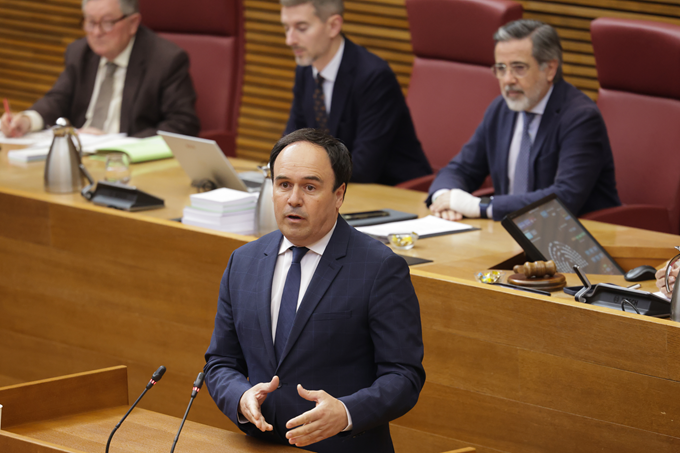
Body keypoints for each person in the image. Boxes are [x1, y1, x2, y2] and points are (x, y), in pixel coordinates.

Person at [204, 128, 425, 453]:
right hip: (263, 445)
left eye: (309, 187)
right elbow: (220, 361)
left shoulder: (379, 268)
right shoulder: (244, 261)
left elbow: (404, 376)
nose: (293, 199)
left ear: (339, 195)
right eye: (283, 185)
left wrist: (347, 413)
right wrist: (240, 396)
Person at [428, 19, 621, 221]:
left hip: (575, 233)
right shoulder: (500, 109)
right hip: (509, 230)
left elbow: (564, 198)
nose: (507, 79)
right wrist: (444, 198)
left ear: (550, 69)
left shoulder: (580, 118)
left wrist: (482, 206)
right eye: (501, 68)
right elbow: (461, 169)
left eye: (519, 68)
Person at [281, 0, 432, 186]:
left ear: (333, 26)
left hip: (394, 190)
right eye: (286, 28)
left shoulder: (374, 76)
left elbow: (363, 168)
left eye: (301, 28)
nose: (290, 40)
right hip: (335, 187)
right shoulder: (305, 70)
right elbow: (292, 140)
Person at [0, 0, 199, 138]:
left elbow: (182, 124)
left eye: (107, 23)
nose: (96, 32)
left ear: (133, 23)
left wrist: (120, 143)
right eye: (90, 22)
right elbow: (58, 99)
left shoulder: (166, 60)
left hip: (127, 163)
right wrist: (27, 120)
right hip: (82, 154)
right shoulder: (80, 52)